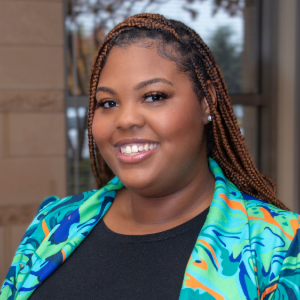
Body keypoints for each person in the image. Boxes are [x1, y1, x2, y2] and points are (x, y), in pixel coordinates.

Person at [1, 13, 299, 300]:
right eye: (108, 102)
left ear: (206, 100)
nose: (125, 119)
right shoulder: (53, 224)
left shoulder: (280, 249)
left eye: (154, 96)